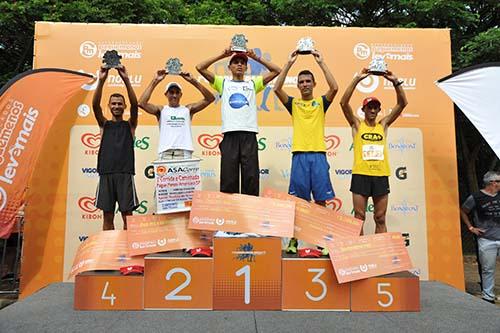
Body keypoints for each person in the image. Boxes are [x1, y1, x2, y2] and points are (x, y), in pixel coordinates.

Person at [274, 49, 338, 254]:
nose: (304, 85)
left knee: (320, 202)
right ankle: (293, 241)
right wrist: (289, 63)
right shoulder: (294, 104)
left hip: (318, 156)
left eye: (308, 81)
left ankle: (323, 242)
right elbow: (276, 88)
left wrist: (321, 62)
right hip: (299, 157)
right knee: (298, 204)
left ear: (313, 84)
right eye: (301, 82)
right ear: (298, 85)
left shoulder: (321, 103)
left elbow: (335, 87)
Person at [196, 47, 280, 196]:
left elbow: (276, 71)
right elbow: (200, 67)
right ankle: (230, 214)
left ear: (247, 67)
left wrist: (256, 58)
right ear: (229, 67)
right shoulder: (223, 83)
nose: (239, 65)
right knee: (229, 179)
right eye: (235, 62)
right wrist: (222, 55)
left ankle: (250, 212)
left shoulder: (253, 83)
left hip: (249, 135)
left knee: (251, 178)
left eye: (242, 62)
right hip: (230, 135)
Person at [340, 68, 407, 234]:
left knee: (380, 217)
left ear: (378, 110)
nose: (372, 110)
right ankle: (360, 253)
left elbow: (402, 104)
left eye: (375, 108)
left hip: (380, 175)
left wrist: (395, 82)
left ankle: (380, 254)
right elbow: (343, 103)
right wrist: (357, 79)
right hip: (361, 174)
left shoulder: (383, 125)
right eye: (369, 107)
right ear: (363, 110)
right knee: (359, 217)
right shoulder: (357, 124)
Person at [92, 65, 139, 230]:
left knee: (128, 216)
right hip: (106, 173)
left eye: (120, 104)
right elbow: (95, 106)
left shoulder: (130, 125)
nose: (117, 106)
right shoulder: (104, 124)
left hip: (125, 173)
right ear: (109, 106)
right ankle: (108, 253)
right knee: (107, 216)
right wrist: (101, 80)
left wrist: (126, 79)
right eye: (114, 103)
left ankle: (128, 251)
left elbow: (135, 105)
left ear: (124, 106)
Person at [138, 70, 215, 160]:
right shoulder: (161, 110)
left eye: (177, 92)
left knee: (184, 175)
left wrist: (193, 81)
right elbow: (141, 103)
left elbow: (210, 98)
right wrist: (155, 81)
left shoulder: (188, 109)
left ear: (181, 94)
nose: (174, 95)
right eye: (171, 92)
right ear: (166, 94)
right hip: (165, 152)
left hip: (184, 152)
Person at [460, 171, 500, 304]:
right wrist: (471, 228)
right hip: (486, 239)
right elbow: (463, 210)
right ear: (492, 183)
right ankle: (488, 296)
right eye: (498, 181)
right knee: (487, 269)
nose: (499, 184)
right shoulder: (476, 197)